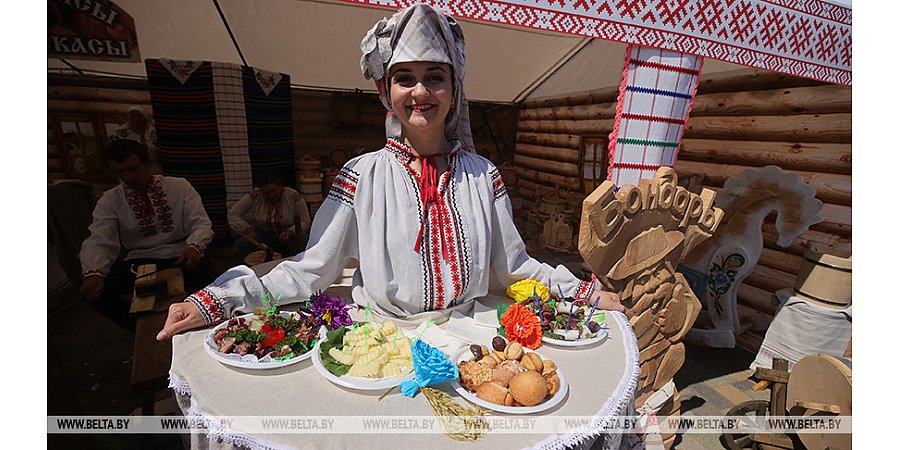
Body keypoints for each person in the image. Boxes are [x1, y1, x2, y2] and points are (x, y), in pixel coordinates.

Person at [157, 4, 622, 340]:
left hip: (474, 342)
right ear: (387, 92)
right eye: (406, 78)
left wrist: (582, 293)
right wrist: (217, 300)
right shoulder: (362, 177)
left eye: (435, 76)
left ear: (454, 89)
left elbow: (515, 267)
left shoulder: (484, 177)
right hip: (383, 347)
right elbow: (311, 269)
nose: (421, 91)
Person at [80, 139, 216, 327]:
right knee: (95, 292)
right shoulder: (111, 199)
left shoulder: (179, 186)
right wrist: (93, 271)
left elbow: (200, 222)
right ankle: (141, 330)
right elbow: (100, 238)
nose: (127, 177)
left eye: (133, 169)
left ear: (148, 164)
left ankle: (203, 325)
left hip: (182, 254)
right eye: (119, 172)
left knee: (216, 289)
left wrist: (195, 246)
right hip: (139, 261)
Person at [228, 173, 311, 258]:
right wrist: (247, 229)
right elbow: (232, 214)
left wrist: (290, 231)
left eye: (274, 191)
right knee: (242, 244)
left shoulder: (293, 196)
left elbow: (305, 221)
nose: (271, 196)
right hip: (265, 234)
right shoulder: (255, 195)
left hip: (289, 235)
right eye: (266, 193)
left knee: (301, 242)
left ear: (281, 187)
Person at [111, 106, 161, 174]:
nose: (136, 119)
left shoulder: (154, 134)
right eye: (133, 116)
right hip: (131, 170)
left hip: (153, 169)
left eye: (139, 116)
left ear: (145, 118)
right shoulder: (123, 134)